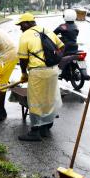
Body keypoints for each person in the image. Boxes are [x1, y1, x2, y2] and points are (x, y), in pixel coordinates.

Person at [15, 13, 64, 141]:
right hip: (53, 70)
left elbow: (23, 59)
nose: (20, 28)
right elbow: (61, 46)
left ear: (27, 23)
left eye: (21, 25)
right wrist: (54, 59)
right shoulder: (46, 30)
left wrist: (24, 73)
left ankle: (35, 131)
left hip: (38, 72)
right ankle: (46, 128)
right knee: (49, 99)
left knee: (35, 101)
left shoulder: (25, 36)